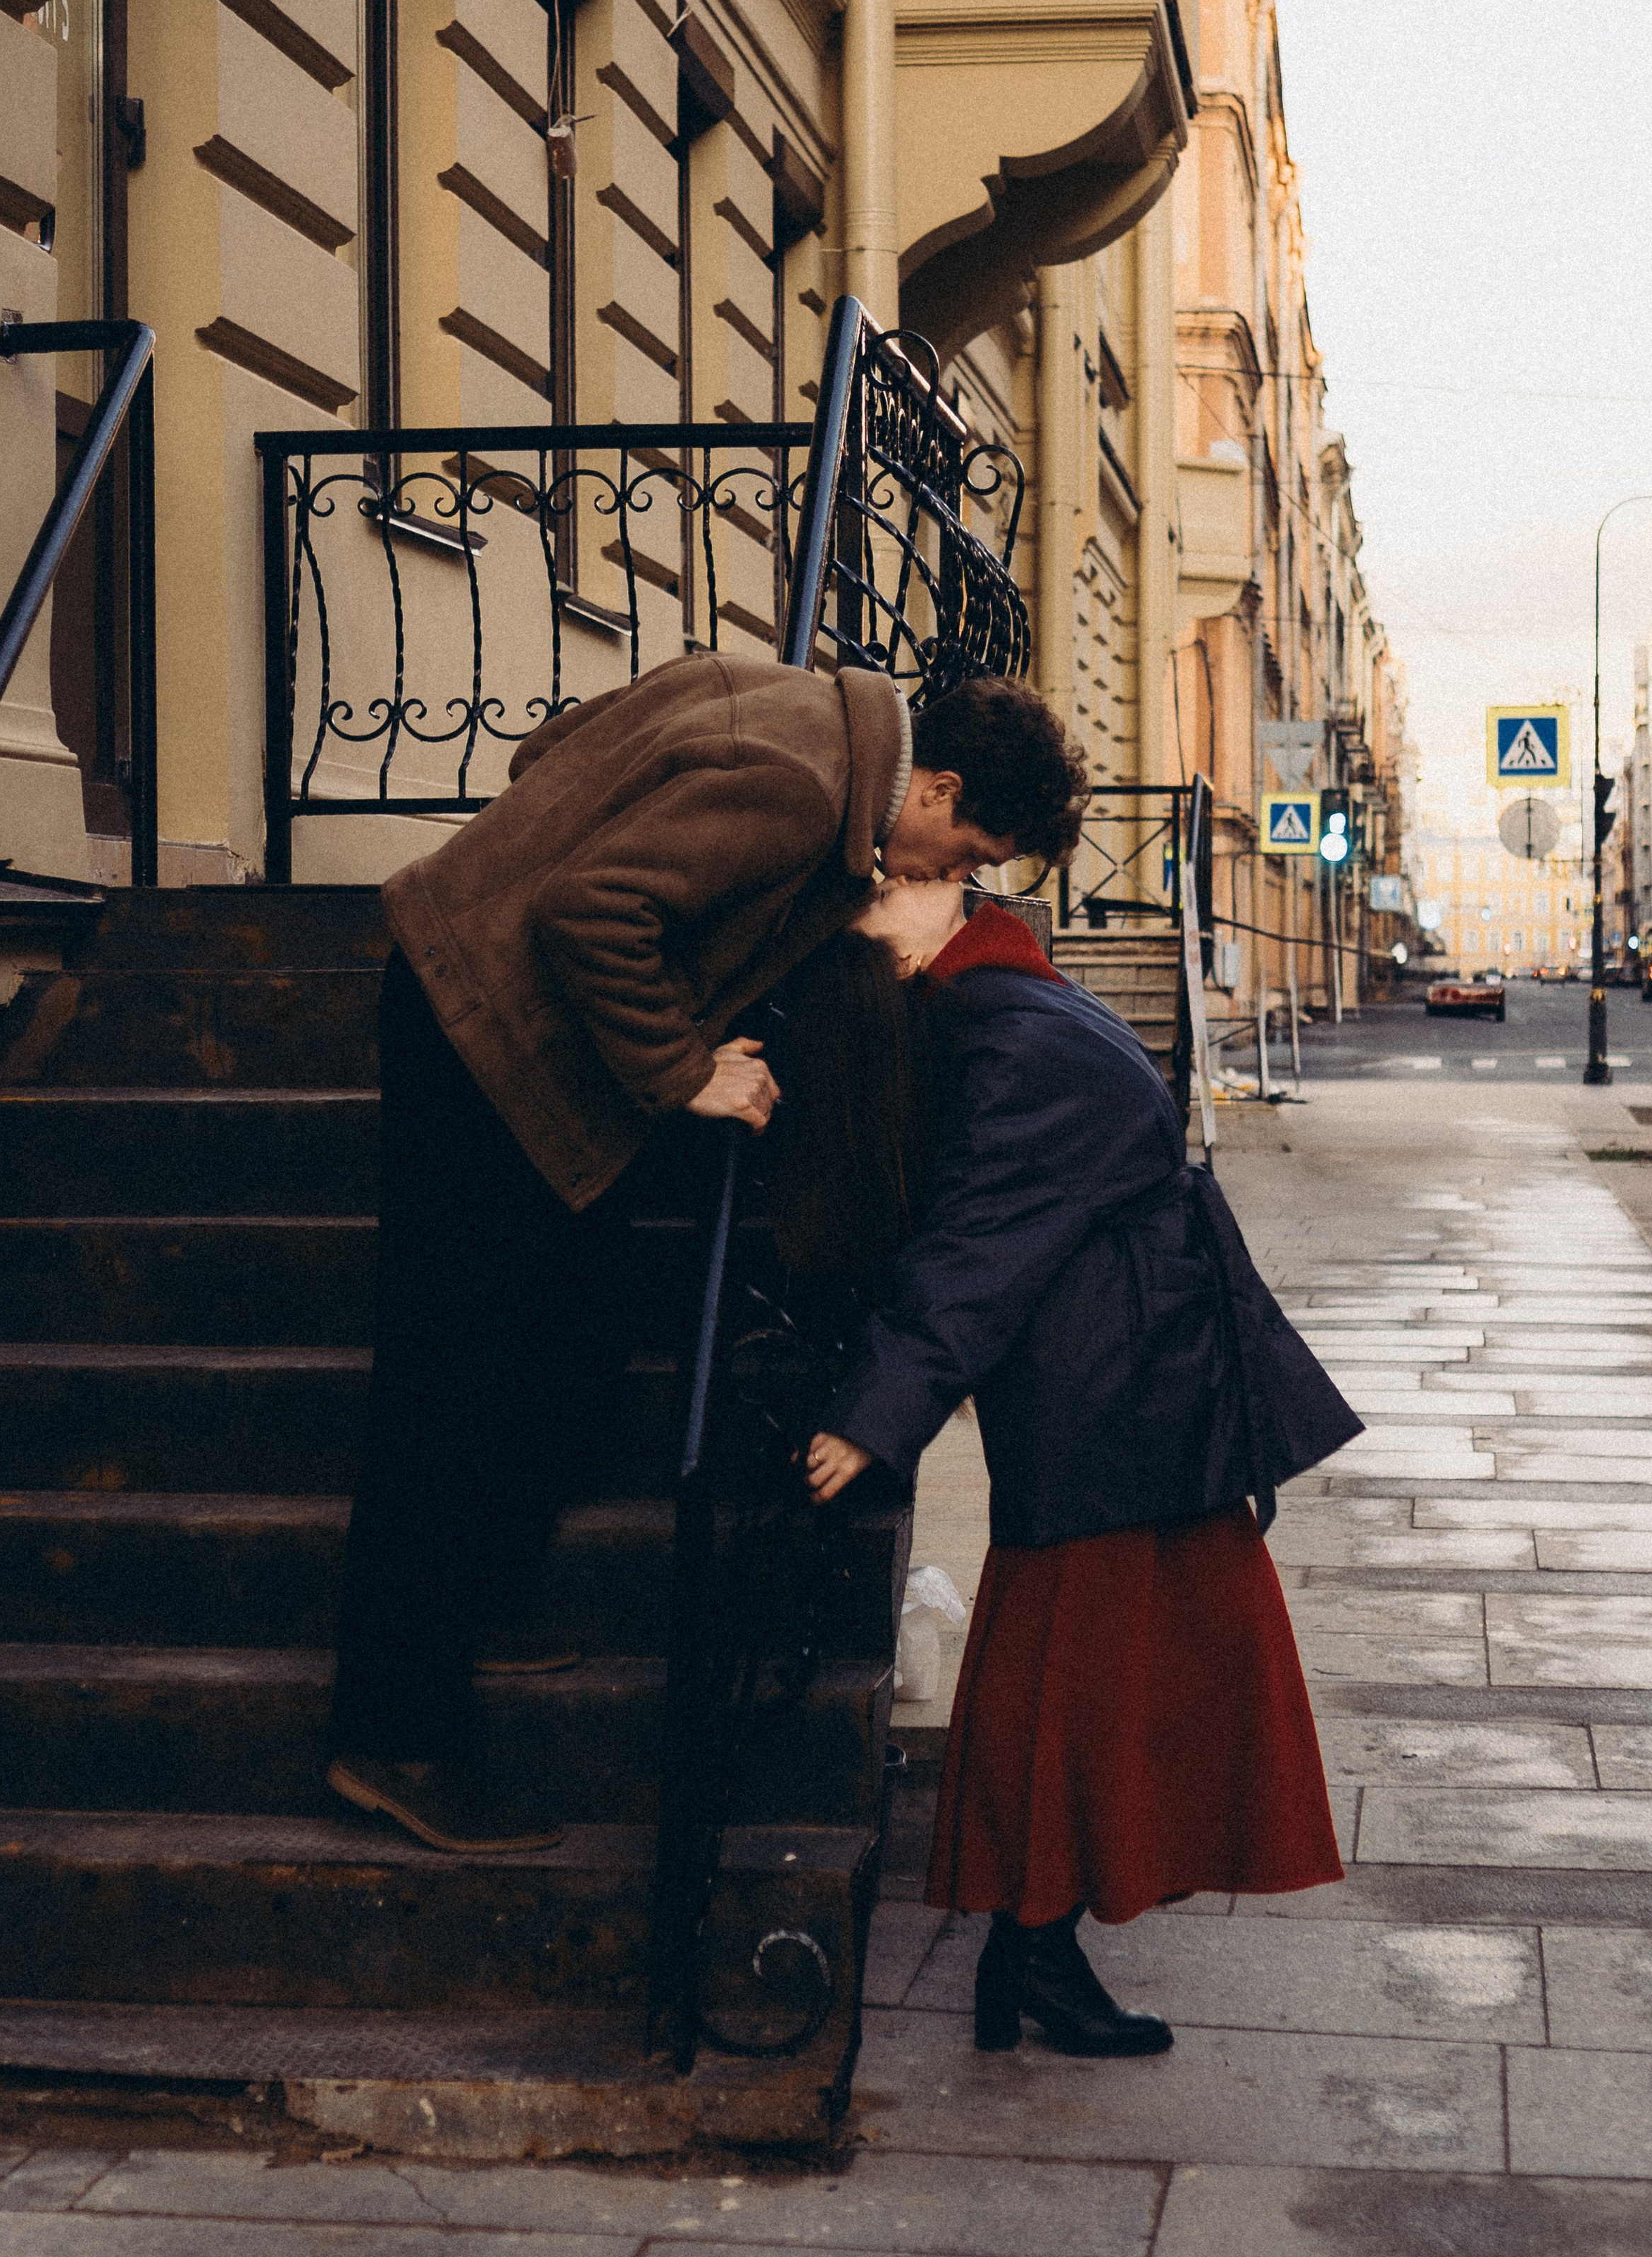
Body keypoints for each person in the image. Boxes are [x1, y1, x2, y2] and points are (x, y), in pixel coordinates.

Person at [326, 654, 1089, 1853]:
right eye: (974, 854)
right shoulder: (797, 791)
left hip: (469, 999)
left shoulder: (780, 694)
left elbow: (555, 752)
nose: (959, 877)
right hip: (480, 1037)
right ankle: (394, 1734)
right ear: (935, 790)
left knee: (575, 1315)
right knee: (450, 1377)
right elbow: (593, 910)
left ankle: (475, 1593)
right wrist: (684, 1069)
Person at [790, 881, 1360, 2058]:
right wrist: (884, 1401)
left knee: (1095, 1674)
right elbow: (978, 1239)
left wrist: (880, 1410)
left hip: (1125, 1385)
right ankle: (1033, 1951)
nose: (883, 888)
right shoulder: (1001, 1004)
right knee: (1082, 1676)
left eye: (891, 883)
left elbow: (982, 1241)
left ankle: (1033, 1949)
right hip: (1123, 1383)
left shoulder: (1005, 1021)